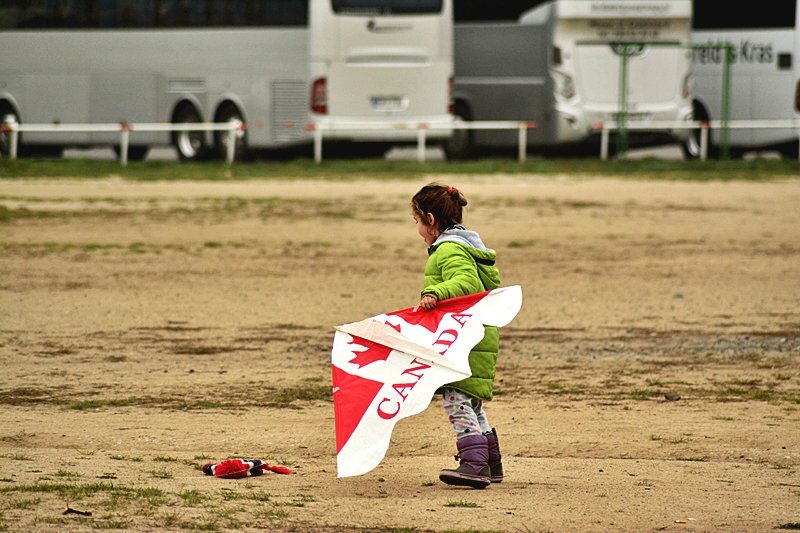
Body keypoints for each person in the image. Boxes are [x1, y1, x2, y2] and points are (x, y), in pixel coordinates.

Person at [411, 182, 504, 490]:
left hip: (462, 341)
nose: (418, 231)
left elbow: (465, 281)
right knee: (471, 402)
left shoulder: (450, 248)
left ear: (431, 219)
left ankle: (474, 465)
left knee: (456, 399)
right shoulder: (468, 244)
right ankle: (491, 463)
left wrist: (436, 292)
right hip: (475, 337)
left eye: (417, 224)